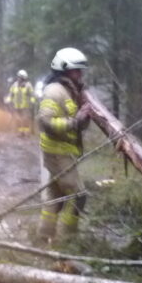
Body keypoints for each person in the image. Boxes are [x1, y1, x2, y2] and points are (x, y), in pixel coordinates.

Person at [37, 48, 94, 242]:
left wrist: (83, 118)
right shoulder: (54, 91)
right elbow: (46, 122)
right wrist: (75, 121)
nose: (80, 74)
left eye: (80, 70)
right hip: (57, 152)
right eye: (76, 70)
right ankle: (68, 240)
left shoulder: (70, 92)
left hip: (64, 151)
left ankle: (44, 236)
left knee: (55, 195)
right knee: (78, 196)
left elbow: (77, 124)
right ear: (63, 70)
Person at [5, 69, 37, 137]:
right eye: (18, 77)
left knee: (25, 119)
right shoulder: (14, 85)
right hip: (16, 106)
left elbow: (32, 95)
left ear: (23, 78)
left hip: (25, 106)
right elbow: (11, 94)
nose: (18, 78)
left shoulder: (28, 85)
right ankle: (20, 133)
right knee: (18, 119)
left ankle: (26, 132)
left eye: (20, 77)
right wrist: (8, 100)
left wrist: (32, 101)